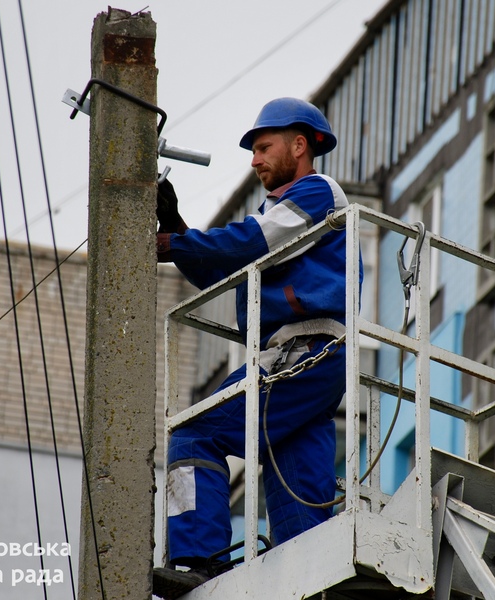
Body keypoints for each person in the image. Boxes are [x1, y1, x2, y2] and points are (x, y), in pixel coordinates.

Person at [152, 97, 361, 599]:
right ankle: (307, 584)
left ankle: (197, 558)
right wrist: (177, 230)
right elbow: (223, 269)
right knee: (296, 496)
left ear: (299, 145)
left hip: (304, 351)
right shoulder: (279, 214)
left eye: (264, 147)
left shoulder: (317, 193)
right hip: (311, 361)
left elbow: (250, 244)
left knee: (195, 432)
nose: (254, 160)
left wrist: (175, 244)